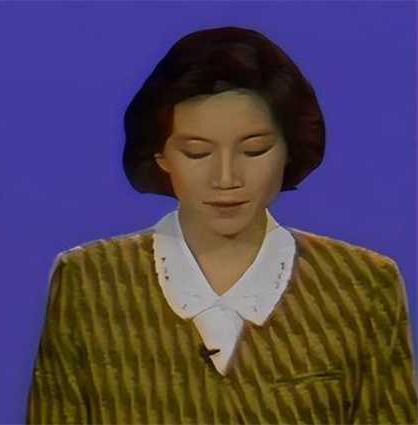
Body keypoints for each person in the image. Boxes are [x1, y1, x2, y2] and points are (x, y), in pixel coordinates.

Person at [25, 26, 418, 424]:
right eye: (197, 153)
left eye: (254, 150)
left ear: (289, 149)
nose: (226, 178)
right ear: (161, 157)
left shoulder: (362, 287)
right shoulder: (89, 282)